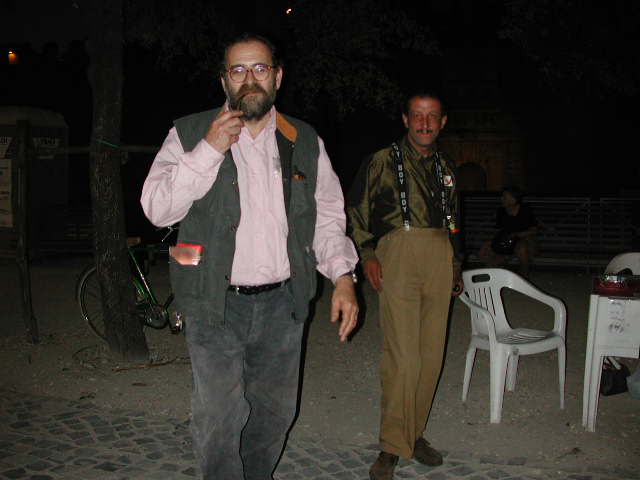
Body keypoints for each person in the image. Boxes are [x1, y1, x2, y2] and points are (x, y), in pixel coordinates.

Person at [140, 33, 359, 480]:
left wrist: (342, 277)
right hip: (213, 302)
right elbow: (156, 209)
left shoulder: (304, 140)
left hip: (284, 303)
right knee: (219, 418)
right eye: (238, 70)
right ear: (224, 81)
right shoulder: (189, 132)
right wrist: (208, 150)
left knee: (275, 414)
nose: (250, 79)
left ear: (277, 77)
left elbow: (326, 217)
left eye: (260, 68)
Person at [347, 92, 463, 480]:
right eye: (417, 115)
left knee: (431, 354)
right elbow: (357, 210)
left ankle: (414, 434)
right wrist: (368, 253)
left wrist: (456, 263)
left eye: (432, 116)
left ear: (442, 122)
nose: (424, 123)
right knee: (403, 356)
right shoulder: (382, 160)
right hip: (398, 252)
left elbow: (454, 219)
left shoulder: (446, 166)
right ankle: (391, 445)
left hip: (439, 254)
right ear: (405, 119)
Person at [479, 186, 539, 276]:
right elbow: (500, 232)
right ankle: (499, 273)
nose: (501, 199)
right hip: (507, 241)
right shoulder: (501, 211)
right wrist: (491, 242)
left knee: (522, 248)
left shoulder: (525, 210)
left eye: (504, 197)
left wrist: (518, 234)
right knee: (487, 253)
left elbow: (534, 230)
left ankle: (524, 274)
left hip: (524, 238)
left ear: (513, 200)